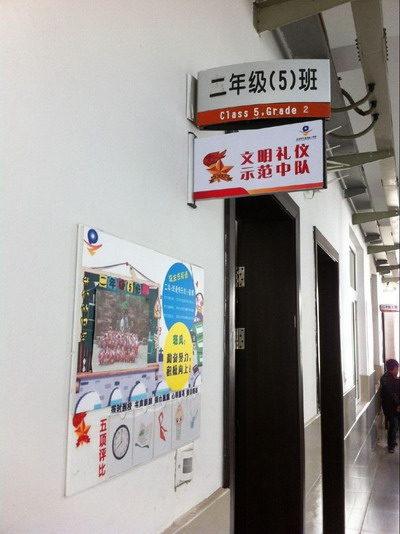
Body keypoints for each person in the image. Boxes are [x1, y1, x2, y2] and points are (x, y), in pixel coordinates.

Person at [380, 359, 400, 453]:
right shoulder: (387, 379)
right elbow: (392, 395)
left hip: (393, 406)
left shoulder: (390, 377)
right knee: (394, 424)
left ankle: (393, 441)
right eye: (397, 368)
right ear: (394, 368)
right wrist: (398, 405)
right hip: (390, 407)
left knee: (395, 424)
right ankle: (391, 445)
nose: (398, 370)